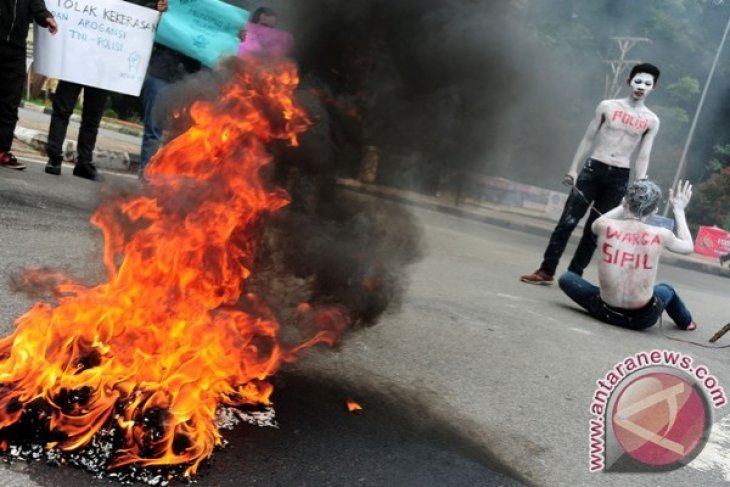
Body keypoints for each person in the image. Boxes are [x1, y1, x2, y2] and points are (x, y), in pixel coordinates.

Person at [521, 63, 661, 285]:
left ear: (654, 87)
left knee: (596, 229)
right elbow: (588, 138)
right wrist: (573, 168)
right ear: (629, 81)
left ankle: (573, 276)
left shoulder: (651, 120)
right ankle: (546, 270)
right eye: (638, 81)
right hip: (594, 167)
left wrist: (639, 187)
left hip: (620, 176)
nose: (641, 87)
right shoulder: (607, 106)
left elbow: (643, 156)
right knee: (568, 221)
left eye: (647, 83)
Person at [44, 0, 168, 180]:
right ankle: (54, 158)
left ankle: (84, 162)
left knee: (92, 117)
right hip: (75, 56)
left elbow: (140, 11)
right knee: (62, 110)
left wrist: (156, 9)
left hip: (104, 62)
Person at [558, 180, 697, 332]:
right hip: (643, 319)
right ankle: (687, 322)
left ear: (625, 202)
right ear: (655, 210)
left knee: (567, 278)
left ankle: (610, 299)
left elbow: (597, 221)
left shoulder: (604, 225)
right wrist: (679, 210)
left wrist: (624, 204)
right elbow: (688, 247)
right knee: (667, 289)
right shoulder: (661, 234)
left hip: (605, 311)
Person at [0, 0, 57, 170]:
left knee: (10, 103)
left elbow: (37, 5)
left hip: (17, 48)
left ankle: (2, 151)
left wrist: (47, 18)